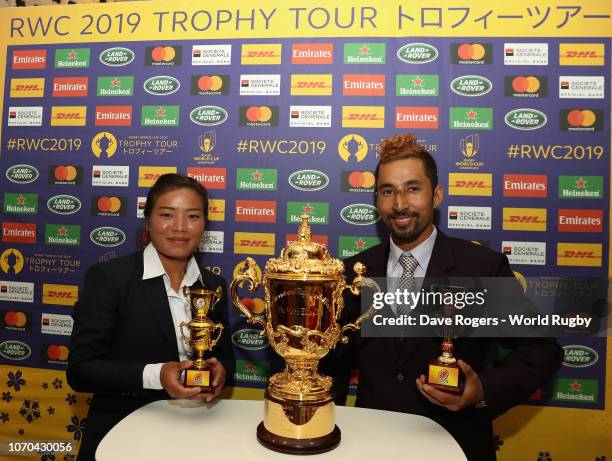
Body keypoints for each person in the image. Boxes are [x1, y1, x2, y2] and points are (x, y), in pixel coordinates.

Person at [323, 134, 562, 460]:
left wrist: (482, 391)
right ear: (376, 200)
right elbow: (333, 362)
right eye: (388, 191)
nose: (400, 204)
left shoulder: (480, 267)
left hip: (455, 444)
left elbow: (541, 350)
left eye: (413, 188)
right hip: (369, 445)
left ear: (436, 195)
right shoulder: (354, 273)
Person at [67, 173, 235, 460]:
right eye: (167, 214)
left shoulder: (211, 285)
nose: (180, 227)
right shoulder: (110, 278)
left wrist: (220, 373)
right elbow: (82, 370)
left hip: (197, 430)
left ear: (204, 225)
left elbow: (225, 356)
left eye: (192, 216)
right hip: (123, 430)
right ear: (148, 222)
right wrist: (158, 375)